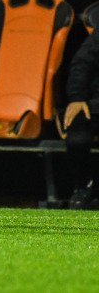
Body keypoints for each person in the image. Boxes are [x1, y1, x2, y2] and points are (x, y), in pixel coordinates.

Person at [64, 29, 99, 209]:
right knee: (78, 138)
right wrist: (77, 97)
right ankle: (84, 186)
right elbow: (82, 63)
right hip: (94, 104)